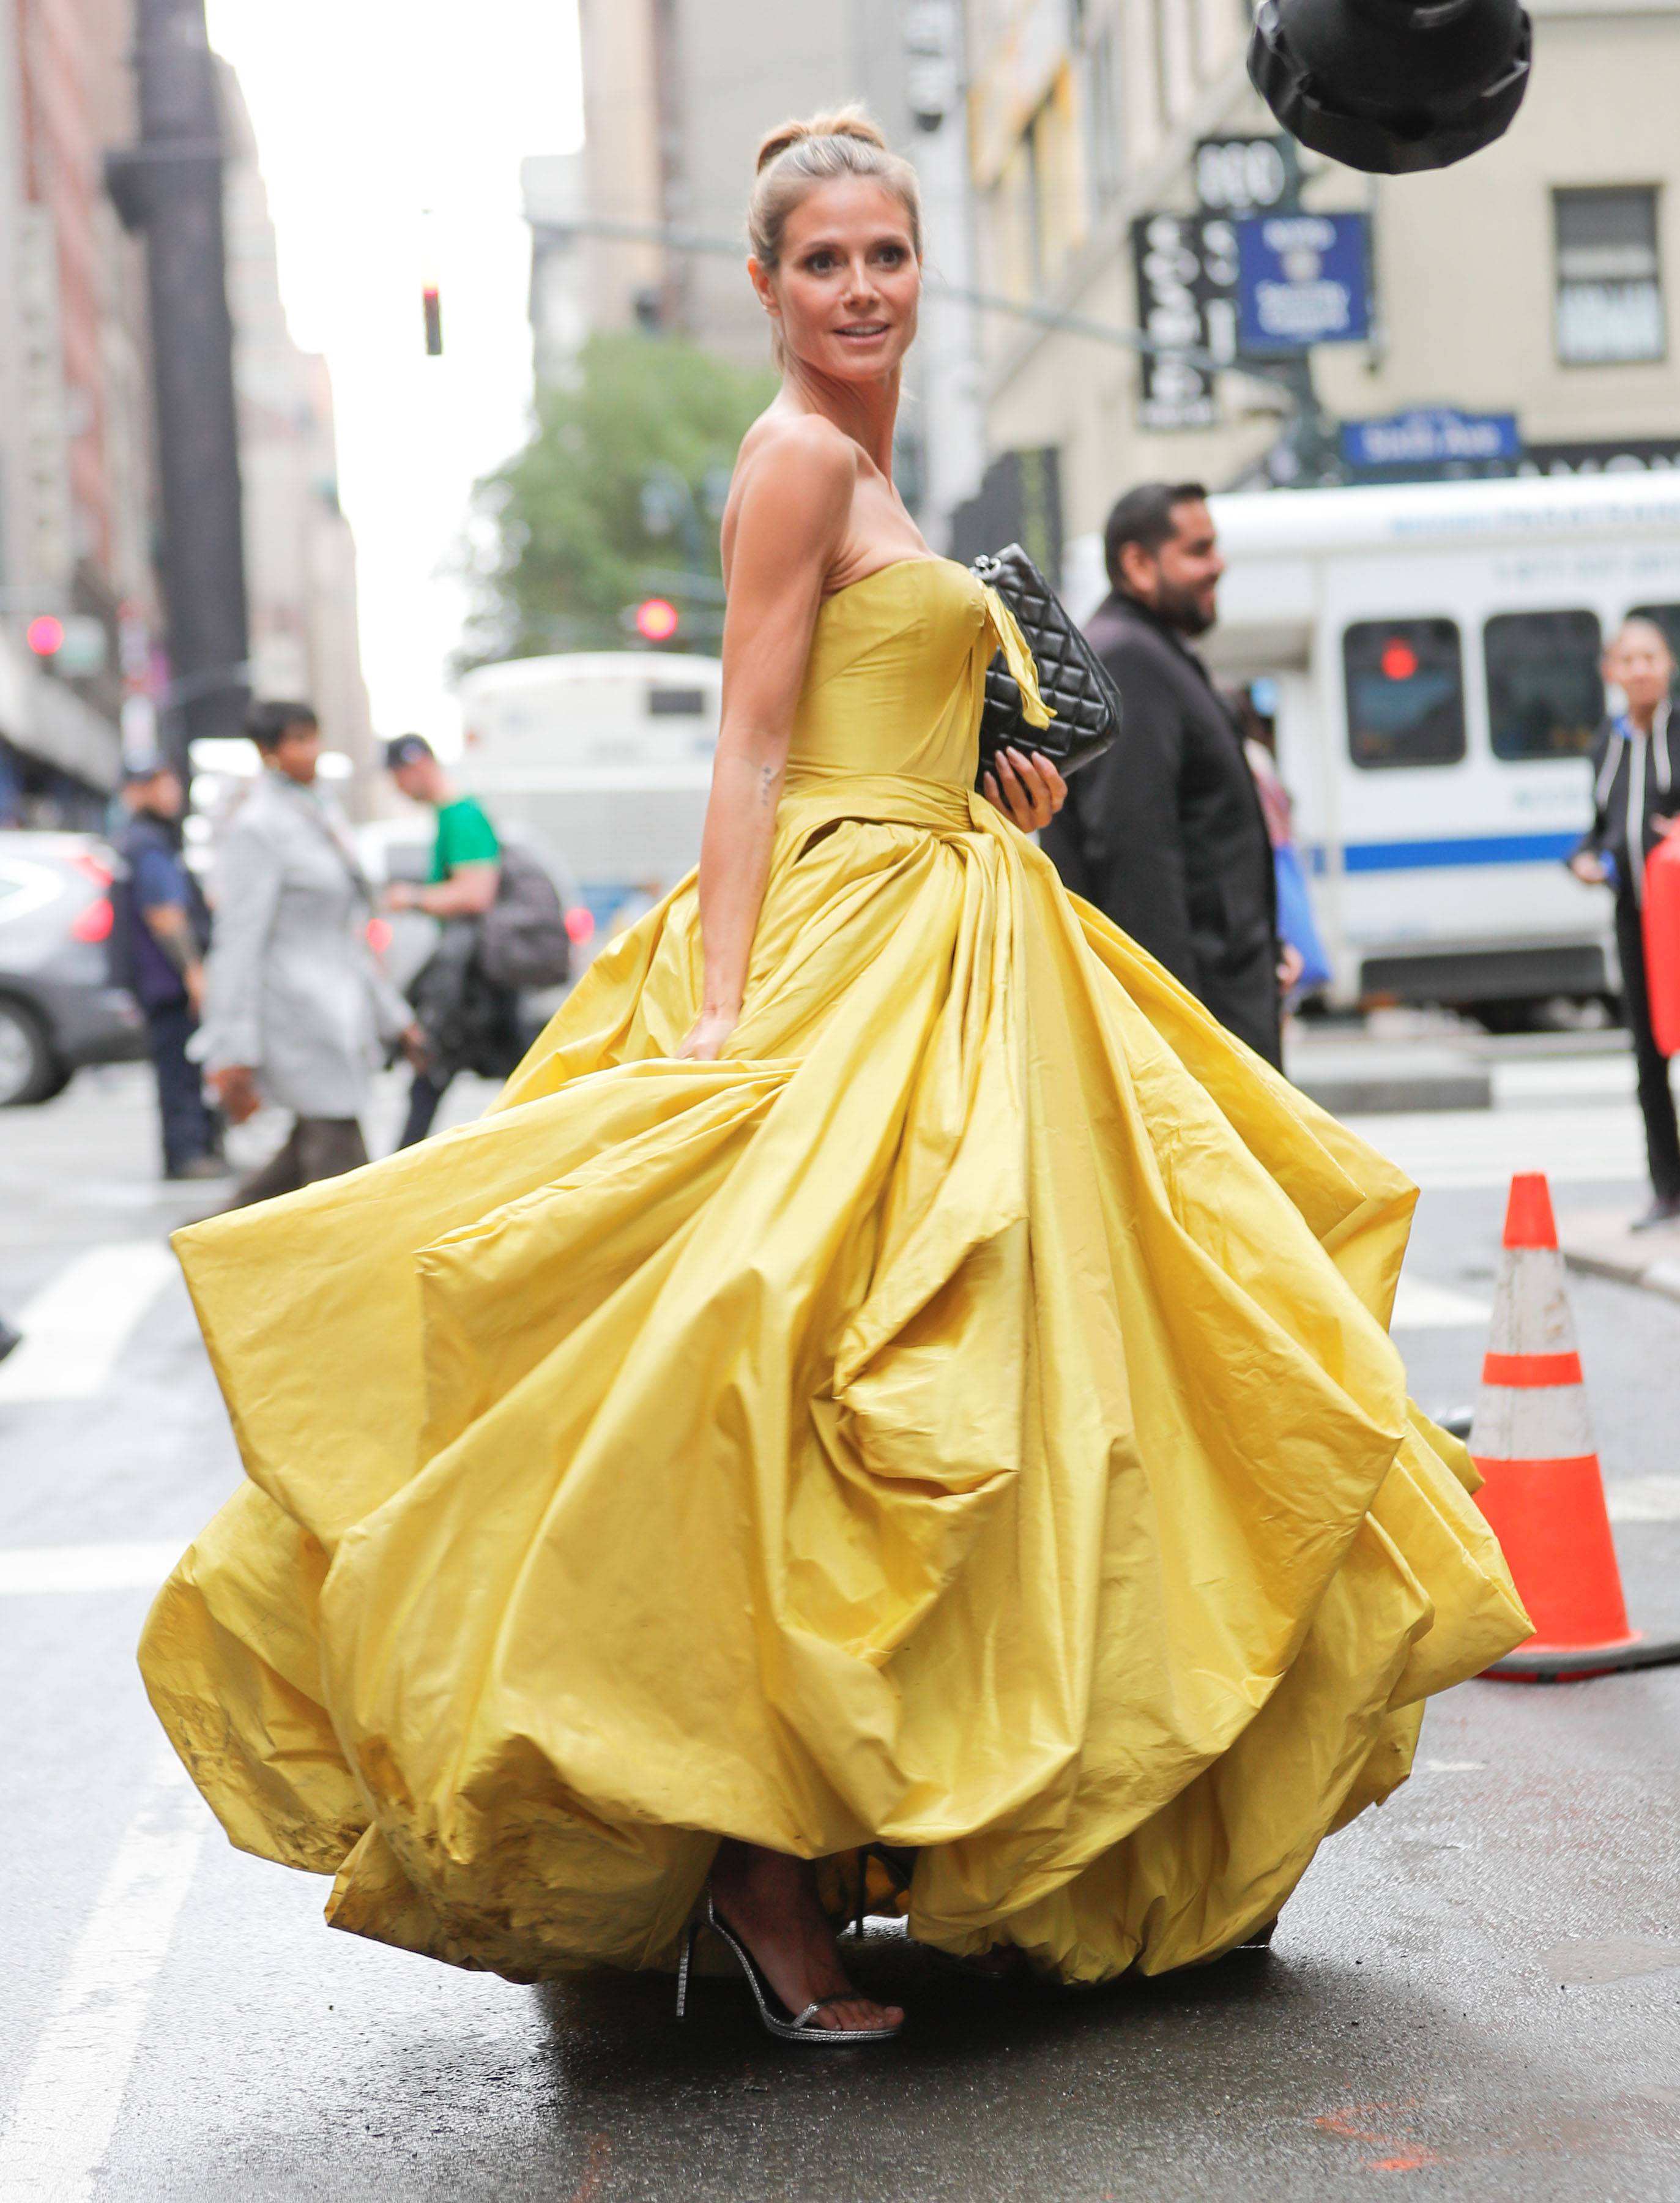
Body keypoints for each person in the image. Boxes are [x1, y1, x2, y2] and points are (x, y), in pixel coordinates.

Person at [141, 114, 1524, 2046]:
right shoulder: (795, 459)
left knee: (1029, 1371)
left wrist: (991, 793)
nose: (866, 288)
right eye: (828, 263)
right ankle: (766, 1877)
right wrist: (720, 1013)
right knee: (787, 1366)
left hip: (955, 906)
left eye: (889, 256)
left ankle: (878, 1825)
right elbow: (751, 748)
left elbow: (875, 724)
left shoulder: (860, 460)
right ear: (768, 285)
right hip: (850, 933)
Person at [1041, 483, 1292, 1067]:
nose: (1218, 565)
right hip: (1196, 1020)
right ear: (1138, 564)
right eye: (1198, 550)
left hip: (1211, 1002)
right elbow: (1135, 855)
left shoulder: (1150, 650)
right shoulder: (1129, 657)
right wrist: (1179, 1033)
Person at [195, 700, 423, 1206]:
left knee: (314, 1147)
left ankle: (212, 1238)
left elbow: (349, 935)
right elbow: (238, 942)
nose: (309, 751)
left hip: (337, 1008)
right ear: (267, 752)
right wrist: (231, 1047)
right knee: (339, 1161)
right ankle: (356, 1268)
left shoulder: (322, 810)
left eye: (312, 737)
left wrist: (396, 1018)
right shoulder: (256, 826)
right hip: (295, 1013)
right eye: (295, 741)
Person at [1570, 617, 1680, 1227]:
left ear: (1667, 664)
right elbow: (1600, 825)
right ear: (1610, 671)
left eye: (1649, 657)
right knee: (1647, 1053)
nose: (1639, 669)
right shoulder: (1605, 744)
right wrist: (1581, 858)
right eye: (1627, 659)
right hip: (1634, 918)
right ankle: (1667, 1186)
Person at [381, 733, 515, 1146]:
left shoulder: (460, 815)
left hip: (476, 980)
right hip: (473, 978)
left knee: (432, 1076)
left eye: (397, 777)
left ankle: (395, 1184)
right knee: (441, 1078)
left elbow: (477, 892)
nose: (397, 788)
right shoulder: (449, 815)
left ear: (416, 765)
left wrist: (414, 897)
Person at [110, 758, 223, 1180]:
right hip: (167, 981)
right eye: (159, 784)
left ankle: (190, 1150)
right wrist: (193, 970)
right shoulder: (147, 843)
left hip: (158, 980)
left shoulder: (146, 840)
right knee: (180, 1067)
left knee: (179, 1066)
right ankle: (188, 1153)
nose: (170, 792)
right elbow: (165, 914)